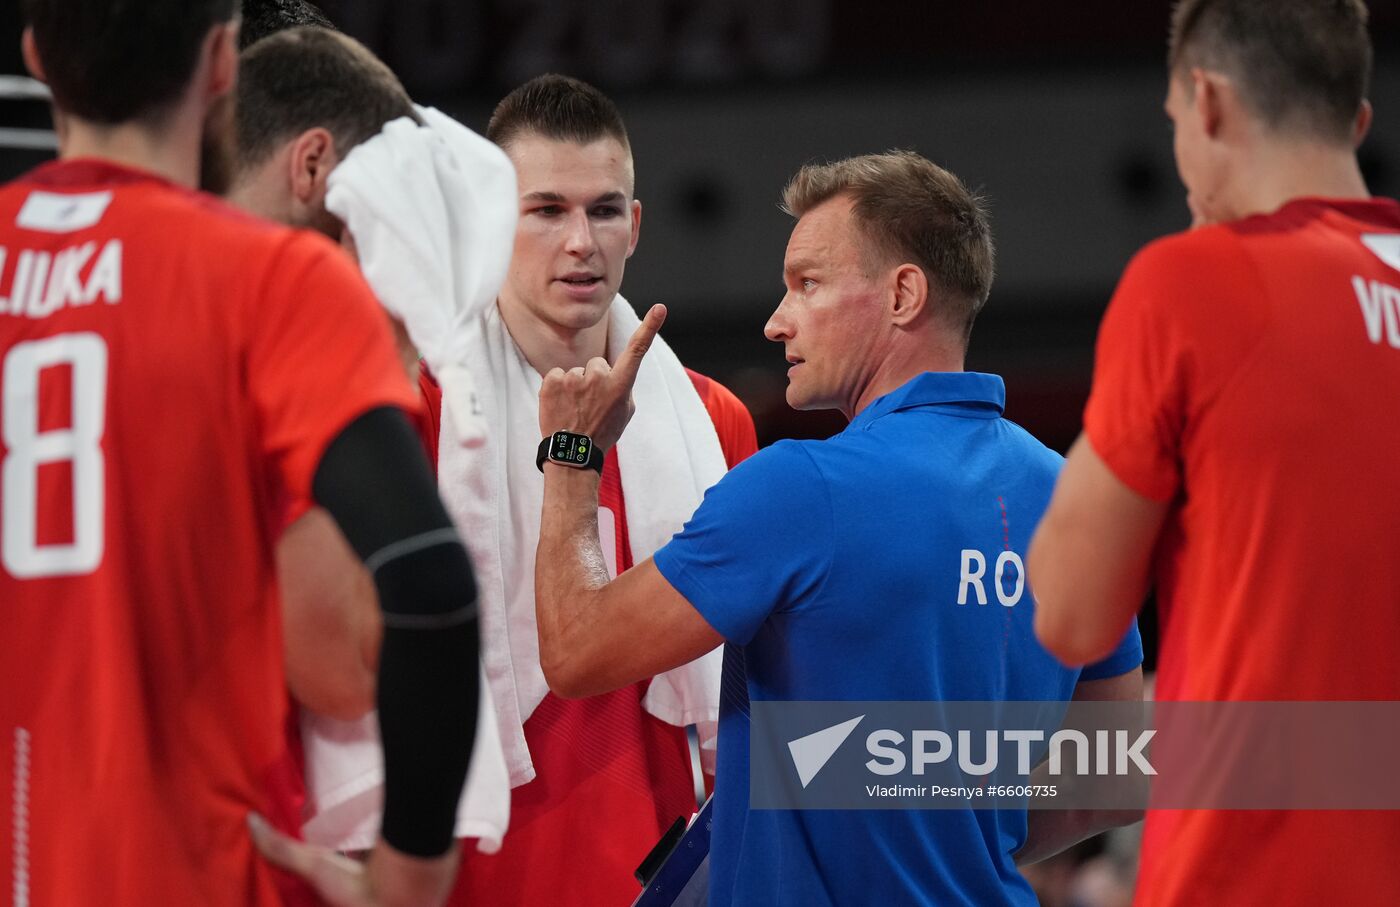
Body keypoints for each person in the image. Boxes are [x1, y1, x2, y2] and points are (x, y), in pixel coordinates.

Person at [532, 150, 1144, 905]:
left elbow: (573, 648)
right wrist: (961, 840)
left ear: (902, 295)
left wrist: (573, 451)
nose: (775, 319)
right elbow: (1114, 776)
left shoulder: (802, 489)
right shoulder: (1073, 492)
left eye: (807, 283)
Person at [1, 2, 480, 905]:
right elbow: (427, 583)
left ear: (37, 58)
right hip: (191, 869)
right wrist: (411, 872)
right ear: (222, 60)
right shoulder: (275, 281)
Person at [1026, 1, 1400, 904]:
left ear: (1208, 101)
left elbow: (1069, 613)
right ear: (1356, 119)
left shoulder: (1192, 284)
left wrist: (1150, 355)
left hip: (1258, 867)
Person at [438, 74, 757, 906]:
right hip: (466, 860)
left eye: (604, 210)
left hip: (657, 866)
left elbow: (744, 688)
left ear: (636, 225)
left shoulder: (716, 422)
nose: (580, 240)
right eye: (546, 210)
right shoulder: (424, 409)